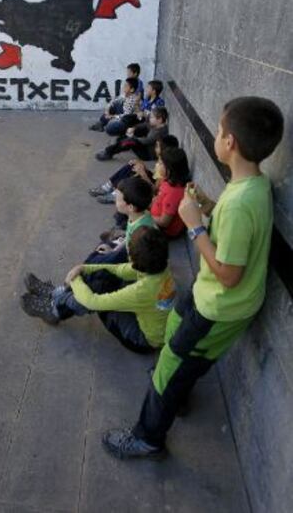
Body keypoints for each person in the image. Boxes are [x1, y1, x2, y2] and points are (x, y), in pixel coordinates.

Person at [102, 96, 284, 460]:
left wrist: (193, 227)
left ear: (229, 142)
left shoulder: (241, 202)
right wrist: (204, 206)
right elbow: (233, 231)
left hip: (220, 305)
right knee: (175, 329)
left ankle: (148, 437)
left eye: (218, 131)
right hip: (205, 295)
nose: (216, 136)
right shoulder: (252, 185)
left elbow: (230, 274)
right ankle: (177, 379)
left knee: (170, 371)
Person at [21, 226, 175, 353]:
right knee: (105, 277)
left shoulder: (142, 290)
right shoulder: (160, 267)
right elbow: (119, 269)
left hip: (142, 341)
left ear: (135, 261)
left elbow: (93, 302)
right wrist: (84, 268)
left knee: (99, 290)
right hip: (156, 323)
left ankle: (54, 307)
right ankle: (56, 296)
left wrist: (76, 280)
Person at [89, 135, 179, 205]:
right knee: (132, 165)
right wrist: (143, 166)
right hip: (151, 179)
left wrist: (143, 174)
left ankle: (116, 195)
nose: (155, 149)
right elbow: (155, 173)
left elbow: (155, 190)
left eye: (157, 147)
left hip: (151, 188)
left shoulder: (166, 168)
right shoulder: (161, 160)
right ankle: (108, 186)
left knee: (136, 174)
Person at [84, 176, 155, 265]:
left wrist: (113, 254)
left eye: (117, 199)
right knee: (100, 250)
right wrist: (114, 250)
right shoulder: (139, 215)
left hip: (133, 261)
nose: (115, 200)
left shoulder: (142, 231)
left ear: (130, 207)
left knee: (95, 260)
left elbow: (136, 260)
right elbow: (129, 237)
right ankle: (113, 240)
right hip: (129, 248)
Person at [96, 107, 169, 161]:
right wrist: (134, 128)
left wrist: (133, 137)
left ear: (159, 120)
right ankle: (118, 144)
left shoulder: (159, 132)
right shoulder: (156, 124)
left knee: (130, 142)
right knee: (134, 131)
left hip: (148, 154)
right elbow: (146, 124)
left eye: (152, 117)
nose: (150, 118)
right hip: (145, 144)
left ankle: (109, 153)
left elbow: (146, 140)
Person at [150, 147, 191, 238]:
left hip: (165, 231)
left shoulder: (174, 193)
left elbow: (164, 222)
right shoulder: (167, 181)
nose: (157, 165)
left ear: (169, 169)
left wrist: (147, 217)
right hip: (155, 218)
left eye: (160, 163)